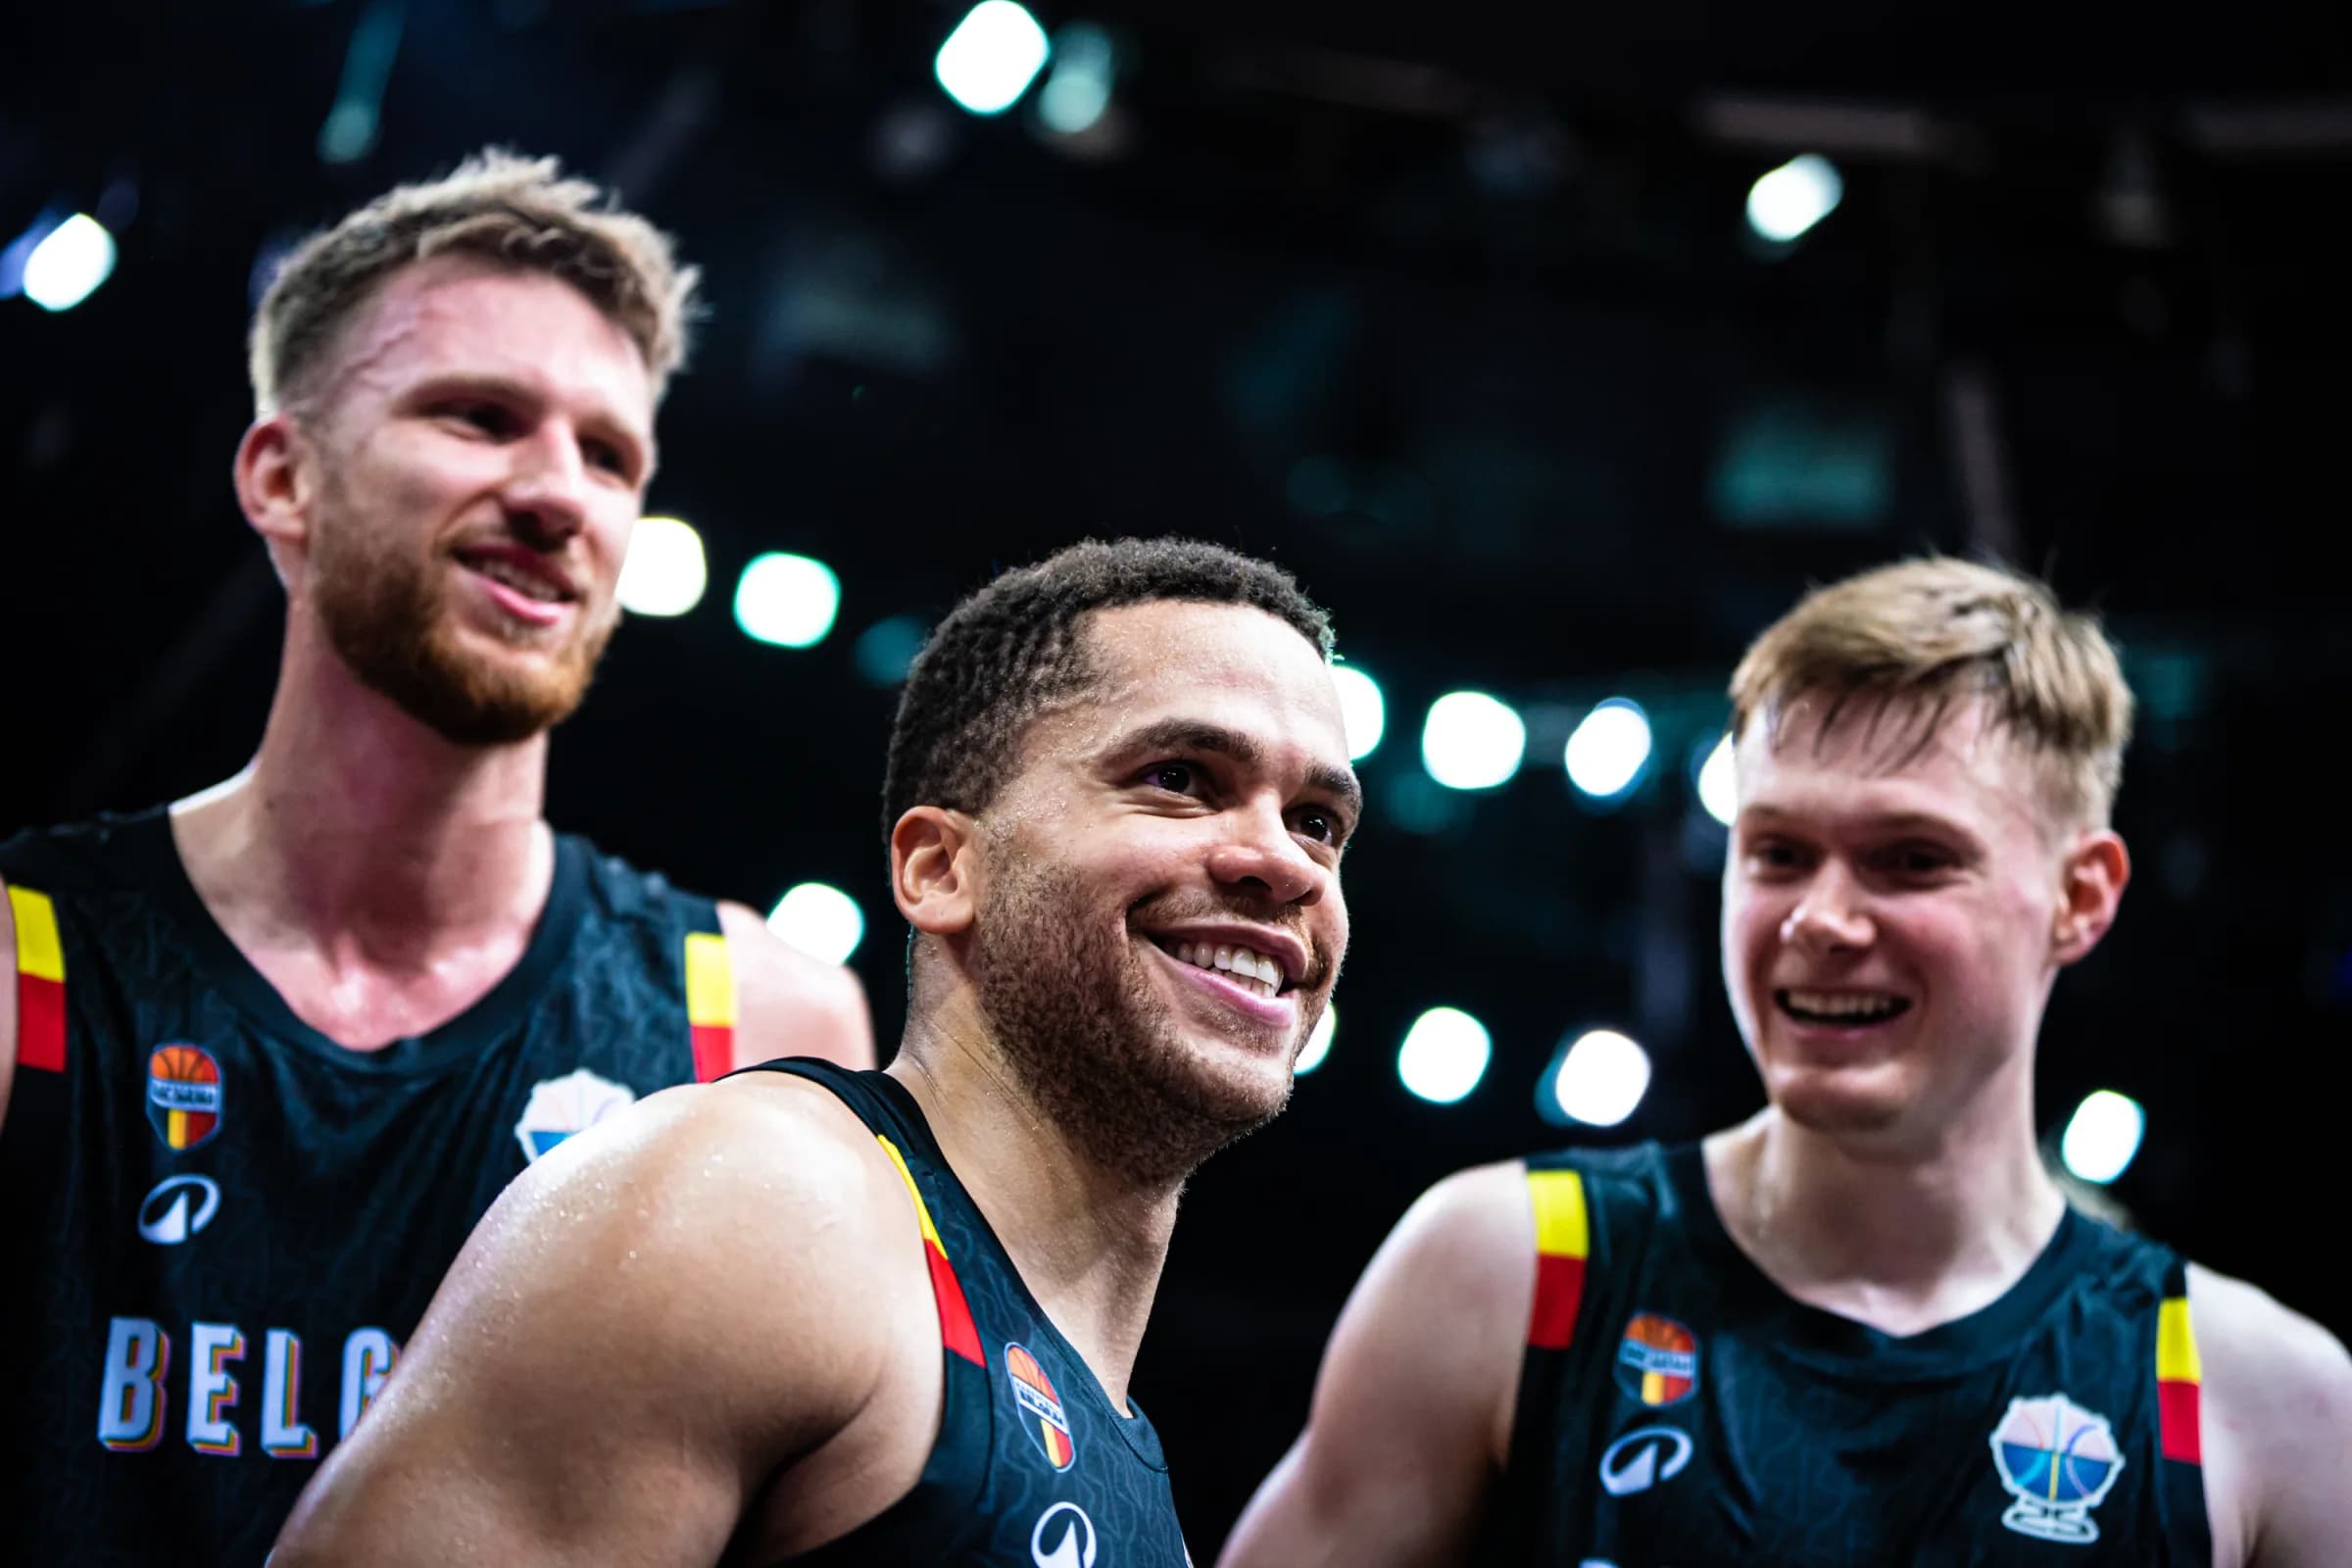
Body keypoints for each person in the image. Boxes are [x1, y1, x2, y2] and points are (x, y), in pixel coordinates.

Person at [0, 150, 871, 1567]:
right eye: (481, 417)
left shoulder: (763, 1025)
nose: (559, 493)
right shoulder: (20, 967)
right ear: (285, 476)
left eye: (611, 456)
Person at [1221, 558, 2352, 1567]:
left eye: (1909, 858)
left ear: (2079, 895)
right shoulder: (1508, 1267)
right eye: (1778, 851)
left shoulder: (2266, 1402)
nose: (1820, 918)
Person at [268, 536, 1359, 1566]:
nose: (1283, 862)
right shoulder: (762, 1203)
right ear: (941, 869)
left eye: (1317, 819)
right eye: (1179, 777)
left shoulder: (1129, 1466)